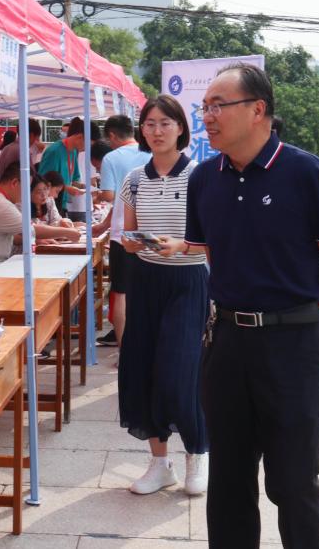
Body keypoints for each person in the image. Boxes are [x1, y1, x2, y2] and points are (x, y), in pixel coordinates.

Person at [173, 63, 319, 548]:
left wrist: (299, 311)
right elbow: (213, 254)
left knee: (294, 480)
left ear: (258, 110)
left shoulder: (304, 171)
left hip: (293, 345)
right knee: (228, 479)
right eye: (204, 107)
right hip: (227, 341)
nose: (207, 116)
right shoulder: (204, 178)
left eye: (218, 105)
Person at [115, 95, 209, 497]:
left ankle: (197, 454)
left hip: (188, 281)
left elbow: (217, 238)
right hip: (145, 279)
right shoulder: (135, 179)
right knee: (144, 370)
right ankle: (159, 464)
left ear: (181, 128)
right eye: (150, 124)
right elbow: (127, 233)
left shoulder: (201, 176)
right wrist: (131, 242)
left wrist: (183, 246)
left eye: (165, 123)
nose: (157, 131)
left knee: (180, 371)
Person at [0, 163, 80, 285]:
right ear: (15, 183)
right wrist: (67, 232)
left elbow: (18, 235)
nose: (28, 193)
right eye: (27, 187)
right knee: (43, 279)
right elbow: (31, 230)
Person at [93, 114, 151, 348]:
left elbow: (110, 196)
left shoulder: (112, 158)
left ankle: (125, 353)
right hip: (150, 232)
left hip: (123, 234)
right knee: (147, 291)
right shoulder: (151, 152)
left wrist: (98, 196)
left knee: (121, 293)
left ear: (112, 135)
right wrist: (104, 224)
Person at [38, 117, 87, 214]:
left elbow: (73, 179)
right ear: (80, 137)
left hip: (63, 203)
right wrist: (67, 188)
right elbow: (43, 181)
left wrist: (84, 186)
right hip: (49, 203)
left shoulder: (74, 151)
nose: (87, 147)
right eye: (87, 143)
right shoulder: (54, 151)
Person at [65, 122, 101, 223]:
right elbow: (93, 182)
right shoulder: (88, 155)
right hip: (82, 205)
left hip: (69, 204)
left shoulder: (69, 152)